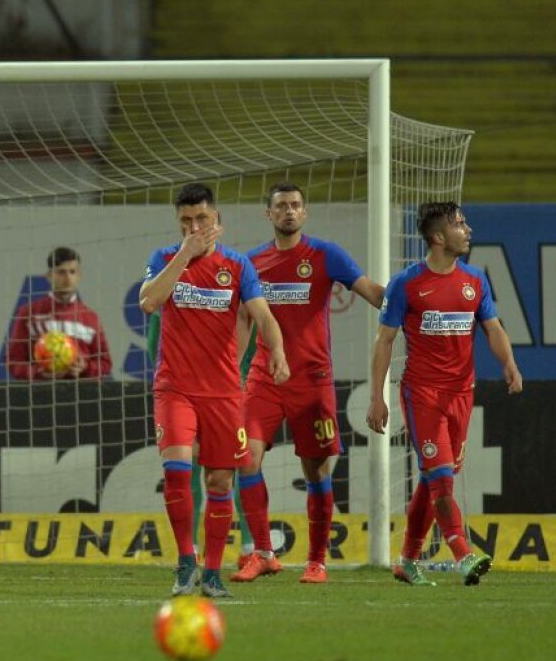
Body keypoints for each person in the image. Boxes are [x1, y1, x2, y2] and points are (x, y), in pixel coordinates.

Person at [140, 182, 290, 598]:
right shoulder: (164, 259)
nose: (194, 226)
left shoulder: (239, 266)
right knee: (176, 469)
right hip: (175, 388)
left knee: (221, 483)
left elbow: (263, 314)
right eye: (186, 221)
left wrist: (276, 349)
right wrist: (184, 256)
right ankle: (185, 560)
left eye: (201, 219)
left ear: (216, 220)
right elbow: (149, 302)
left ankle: (211, 572)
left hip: (224, 392)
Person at [230, 182, 385, 584]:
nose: (289, 211)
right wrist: (233, 367)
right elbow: (245, 319)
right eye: (281, 205)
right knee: (245, 459)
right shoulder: (252, 263)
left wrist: (414, 299)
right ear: (269, 214)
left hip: (312, 381)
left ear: (306, 212)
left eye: (296, 205)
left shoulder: (325, 255)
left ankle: (317, 560)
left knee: (316, 471)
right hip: (263, 377)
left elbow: (373, 293)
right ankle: (263, 553)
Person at [368, 201, 521, 587]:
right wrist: (376, 397)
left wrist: (509, 364)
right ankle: (462, 553)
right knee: (441, 477)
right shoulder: (407, 284)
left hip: (461, 394)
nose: (467, 229)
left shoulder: (475, 281)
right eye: (459, 224)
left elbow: (493, 328)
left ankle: (406, 559)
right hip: (423, 395)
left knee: (433, 479)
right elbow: (385, 340)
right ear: (438, 237)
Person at [146, 310, 257, 566]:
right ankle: (194, 550)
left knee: (228, 469)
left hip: (227, 389)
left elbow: (255, 335)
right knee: (190, 464)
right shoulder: (172, 278)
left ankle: (248, 546)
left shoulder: (238, 278)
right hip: (195, 388)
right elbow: (155, 339)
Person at [7, 246, 112, 380]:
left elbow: (105, 363)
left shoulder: (90, 317)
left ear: (79, 275)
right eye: (61, 272)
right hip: (40, 393)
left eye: (72, 272)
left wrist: (85, 367)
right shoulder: (29, 313)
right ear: (49, 276)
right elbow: (14, 360)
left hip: (81, 395)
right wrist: (38, 373)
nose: (67, 278)